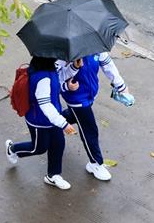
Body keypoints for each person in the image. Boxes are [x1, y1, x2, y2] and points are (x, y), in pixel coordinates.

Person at [56, 52, 132, 181]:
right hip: (76, 98)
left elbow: (108, 65)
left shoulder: (95, 47)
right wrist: (67, 83)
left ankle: (50, 123)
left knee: (75, 117)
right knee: (89, 130)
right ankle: (95, 163)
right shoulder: (64, 52)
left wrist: (121, 86)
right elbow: (56, 77)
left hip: (90, 94)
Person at [5, 56, 78, 190]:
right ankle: (12, 149)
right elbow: (45, 105)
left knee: (58, 144)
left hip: (53, 118)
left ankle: (53, 175)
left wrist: (74, 68)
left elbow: (59, 79)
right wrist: (64, 124)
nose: (59, 58)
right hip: (39, 121)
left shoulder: (49, 68)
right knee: (38, 148)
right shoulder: (43, 78)